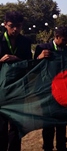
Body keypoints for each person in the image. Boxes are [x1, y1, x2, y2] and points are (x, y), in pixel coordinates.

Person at [34, 26, 67, 151]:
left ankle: (62, 146)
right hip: (47, 92)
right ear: (56, 37)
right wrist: (39, 58)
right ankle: (48, 147)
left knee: (62, 122)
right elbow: (34, 68)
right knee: (48, 123)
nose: (66, 42)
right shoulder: (42, 48)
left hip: (63, 92)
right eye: (64, 40)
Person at [0, 11, 32, 151]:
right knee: (1, 125)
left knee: (16, 124)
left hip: (19, 88)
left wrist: (17, 59)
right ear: (5, 25)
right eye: (12, 26)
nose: (15, 29)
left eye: (18, 26)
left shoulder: (25, 42)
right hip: (1, 89)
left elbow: (29, 63)